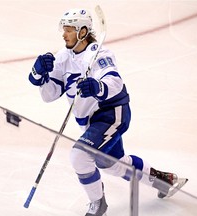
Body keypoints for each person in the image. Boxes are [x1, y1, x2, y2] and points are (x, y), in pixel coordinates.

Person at [28, 8, 179, 216]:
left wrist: (98, 87)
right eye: (64, 29)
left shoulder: (98, 54)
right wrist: (40, 74)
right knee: (110, 164)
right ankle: (163, 180)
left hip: (111, 113)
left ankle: (98, 205)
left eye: (69, 30)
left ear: (82, 32)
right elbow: (49, 95)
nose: (64, 34)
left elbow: (114, 81)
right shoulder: (63, 58)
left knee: (80, 156)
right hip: (92, 121)